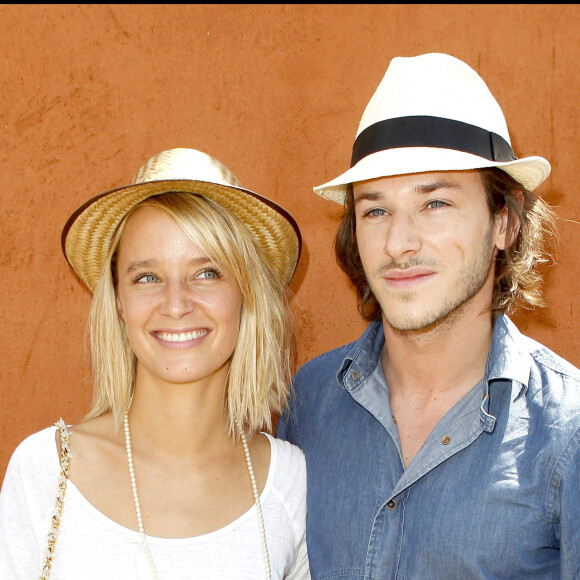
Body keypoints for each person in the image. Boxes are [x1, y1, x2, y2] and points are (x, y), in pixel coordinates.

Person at [276, 53, 580, 579]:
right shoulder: (312, 400)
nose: (398, 243)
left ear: (503, 223)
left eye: (435, 203)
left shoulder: (566, 433)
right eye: (375, 209)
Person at [0, 148, 310, 579]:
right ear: (120, 302)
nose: (176, 304)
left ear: (246, 295)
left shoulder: (290, 480)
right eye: (147, 277)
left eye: (207, 273)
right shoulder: (47, 471)